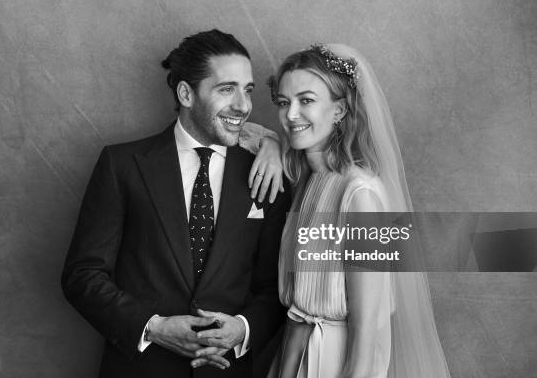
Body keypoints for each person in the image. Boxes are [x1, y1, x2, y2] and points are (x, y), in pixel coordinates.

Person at [61, 29, 291, 378]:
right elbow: (82, 275)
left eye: (248, 90)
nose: (243, 105)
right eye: (227, 89)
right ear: (186, 93)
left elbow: (274, 286)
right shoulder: (122, 165)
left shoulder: (267, 173)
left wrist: (243, 329)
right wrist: (152, 327)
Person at [266, 44, 451, 377]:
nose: (291, 114)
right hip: (294, 352)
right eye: (283, 102)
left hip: (335, 360)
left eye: (306, 100)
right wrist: (268, 143)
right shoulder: (308, 180)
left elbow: (367, 327)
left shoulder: (359, 195)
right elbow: (242, 133)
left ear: (338, 111)